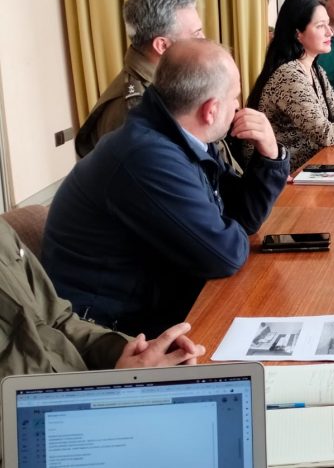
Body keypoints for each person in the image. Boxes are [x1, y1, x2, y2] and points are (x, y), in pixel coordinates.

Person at [43, 39, 289, 339]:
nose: (239, 107)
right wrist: (224, 224)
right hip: (112, 332)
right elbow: (224, 255)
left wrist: (270, 155)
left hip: (152, 302)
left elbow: (241, 218)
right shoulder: (147, 156)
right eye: (235, 97)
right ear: (210, 110)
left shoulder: (181, 136)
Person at [0, 218, 205, 380]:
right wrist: (118, 388)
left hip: (90, 392)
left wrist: (139, 354)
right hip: (47, 420)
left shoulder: (3, 233)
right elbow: (222, 254)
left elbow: (58, 321)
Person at [246, 0, 334, 170]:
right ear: (298, 34)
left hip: (311, 163)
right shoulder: (289, 76)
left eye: (327, 24)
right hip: (286, 173)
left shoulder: (314, 69)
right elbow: (325, 133)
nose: (329, 32)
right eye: (320, 26)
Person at [74, 0, 204, 157]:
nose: (204, 40)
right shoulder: (135, 110)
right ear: (162, 45)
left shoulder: (168, 82)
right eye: (196, 34)